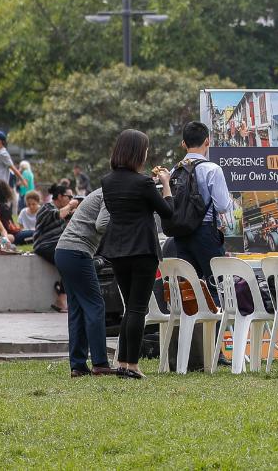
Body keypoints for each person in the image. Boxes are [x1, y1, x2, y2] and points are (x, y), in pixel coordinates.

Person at [99, 129, 175, 379]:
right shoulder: (143, 183)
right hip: (142, 249)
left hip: (117, 249)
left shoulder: (107, 181)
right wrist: (166, 184)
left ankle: (122, 363)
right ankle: (132, 365)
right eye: (145, 150)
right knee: (138, 308)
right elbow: (167, 211)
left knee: (129, 307)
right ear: (137, 153)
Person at [54, 189, 115, 377]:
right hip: (77, 252)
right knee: (95, 306)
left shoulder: (100, 192)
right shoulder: (109, 193)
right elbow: (102, 224)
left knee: (77, 310)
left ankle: (78, 365)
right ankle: (100, 363)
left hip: (64, 251)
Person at [170, 121, 232, 293]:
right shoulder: (212, 169)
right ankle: (218, 312)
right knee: (217, 286)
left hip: (181, 233)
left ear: (184, 144)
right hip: (205, 232)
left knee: (188, 289)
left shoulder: (174, 170)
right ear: (207, 141)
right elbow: (222, 206)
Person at [33, 182, 79, 312]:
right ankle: (61, 299)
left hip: (58, 245)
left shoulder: (64, 210)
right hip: (44, 245)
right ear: (59, 196)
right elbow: (58, 214)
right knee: (69, 261)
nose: (71, 199)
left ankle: (63, 292)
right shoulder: (46, 207)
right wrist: (70, 206)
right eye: (69, 197)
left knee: (76, 258)